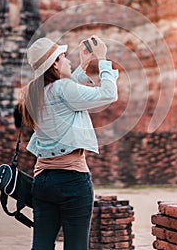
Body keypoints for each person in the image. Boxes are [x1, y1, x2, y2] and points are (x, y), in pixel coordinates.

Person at [19, 36, 119, 250]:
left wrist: (84, 63)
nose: (68, 61)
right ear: (54, 64)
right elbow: (109, 94)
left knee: (41, 246)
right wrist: (102, 59)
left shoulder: (34, 94)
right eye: (63, 57)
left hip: (43, 181)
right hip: (73, 181)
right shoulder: (62, 89)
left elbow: (66, 95)